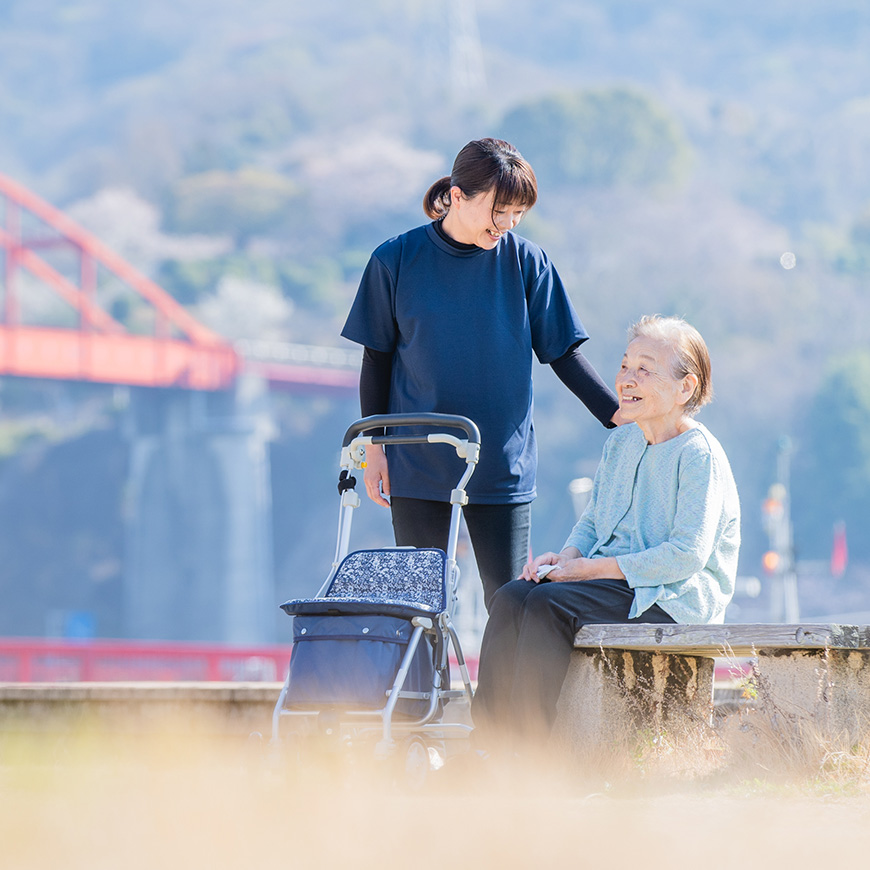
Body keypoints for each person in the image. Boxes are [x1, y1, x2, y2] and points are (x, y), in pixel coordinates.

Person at [341, 138, 621, 609]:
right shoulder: (395, 260)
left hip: (499, 466)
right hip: (416, 460)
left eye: (517, 213)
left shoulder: (528, 263)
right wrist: (376, 448)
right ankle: (421, 688)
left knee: (510, 603)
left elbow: (565, 355)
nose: (508, 224)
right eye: (500, 210)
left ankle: (504, 690)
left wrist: (622, 420)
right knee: (419, 606)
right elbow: (377, 360)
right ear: (456, 194)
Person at [472, 315, 741, 743]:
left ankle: (524, 753)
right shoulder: (622, 441)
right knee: (512, 597)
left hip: (675, 594)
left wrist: (590, 571)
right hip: (616, 584)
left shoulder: (698, 455)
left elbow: (687, 555)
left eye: (645, 369)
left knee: (549, 605)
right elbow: (594, 520)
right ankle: (486, 743)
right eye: (625, 365)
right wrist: (567, 558)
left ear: (685, 388)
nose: (626, 379)